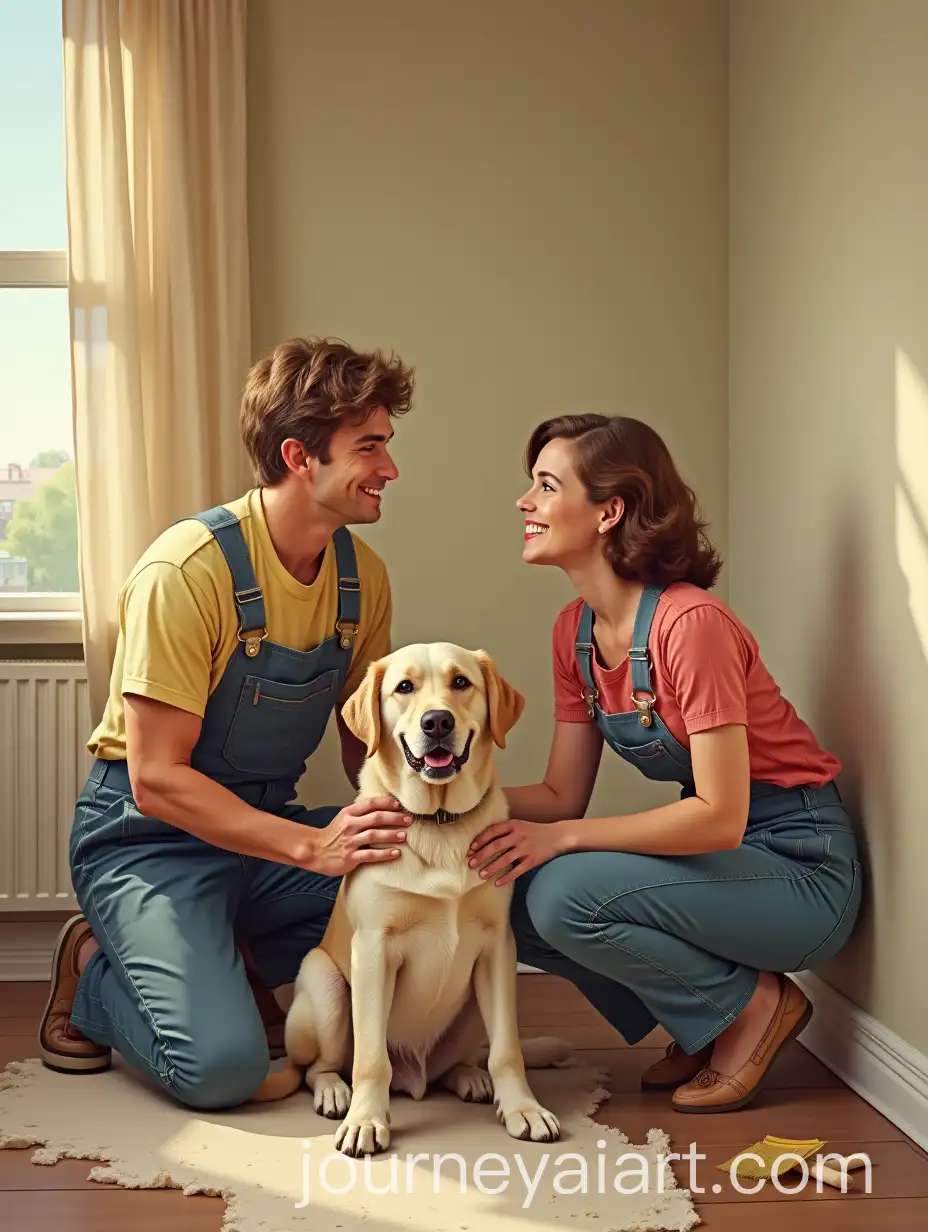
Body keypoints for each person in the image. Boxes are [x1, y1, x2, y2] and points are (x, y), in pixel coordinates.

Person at [38, 336, 419, 1110]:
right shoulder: (189, 571)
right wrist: (313, 846)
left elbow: (364, 742)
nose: (390, 469)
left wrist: (415, 831)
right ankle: (95, 969)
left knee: (427, 892)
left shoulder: (362, 578)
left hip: (262, 836)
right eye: (369, 447)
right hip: (149, 845)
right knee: (221, 1070)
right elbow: (155, 781)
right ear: (299, 456)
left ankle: (222, 950)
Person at [467, 413, 863, 1114]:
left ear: (608, 511)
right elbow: (561, 795)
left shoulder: (691, 626)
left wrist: (559, 840)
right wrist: (439, 807)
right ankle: (702, 1020)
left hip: (799, 867)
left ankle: (752, 1010)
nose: (525, 503)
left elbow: (717, 815)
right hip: (727, 860)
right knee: (505, 886)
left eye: (546, 486)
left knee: (559, 889)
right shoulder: (576, 633)